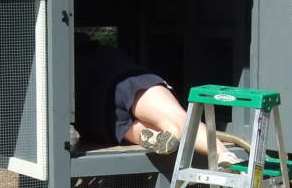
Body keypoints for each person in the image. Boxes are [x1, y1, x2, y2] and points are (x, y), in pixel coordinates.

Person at [73, 34, 239, 164]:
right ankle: (223, 155)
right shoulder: (105, 54)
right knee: (178, 121)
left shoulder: (70, 69)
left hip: (99, 113)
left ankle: (153, 137)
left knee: (129, 129)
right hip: (125, 82)